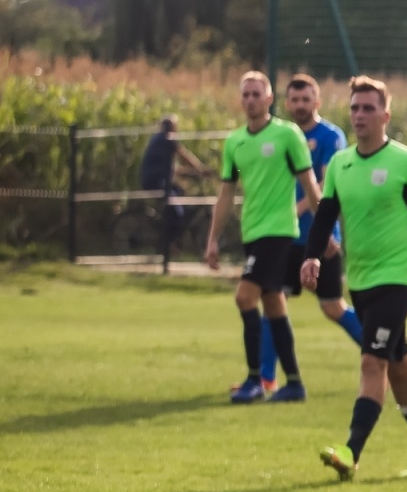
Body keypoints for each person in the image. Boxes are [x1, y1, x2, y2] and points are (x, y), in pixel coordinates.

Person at [301, 76, 407, 481]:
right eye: (355, 108)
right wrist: (311, 257)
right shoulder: (340, 164)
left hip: (398, 277)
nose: (359, 115)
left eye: (368, 108)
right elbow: (324, 216)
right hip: (360, 279)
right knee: (398, 368)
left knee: (372, 361)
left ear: (385, 115)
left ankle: (350, 452)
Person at [206, 71, 320, 404]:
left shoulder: (288, 135)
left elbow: (311, 185)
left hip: (280, 231)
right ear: (240, 101)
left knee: (244, 297)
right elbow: (225, 194)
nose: (252, 100)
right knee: (273, 304)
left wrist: (325, 229)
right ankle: (295, 383)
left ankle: (255, 380)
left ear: (270, 99)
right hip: (253, 232)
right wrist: (212, 239)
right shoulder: (235, 142)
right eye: (246, 95)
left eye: (258, 94)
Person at [256, 74, 364, 389]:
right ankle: (265, 378)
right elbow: (241, 166)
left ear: (316, 102)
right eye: (295, 100)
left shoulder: (331, 137)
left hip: (320, 239)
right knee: (273, 301)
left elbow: (327, 186)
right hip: (283, 237)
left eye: (307, 100)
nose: (300, 105)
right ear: (285, 102)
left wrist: (322, 228)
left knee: (332, 306)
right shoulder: (278, 135)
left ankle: (384, 352)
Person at [138, 115, 207, 247]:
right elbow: (183, 155)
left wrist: (193, 172)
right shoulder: (167, 138)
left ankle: (170, 236)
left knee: (179, 191)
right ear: (171, 127)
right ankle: (167, 244)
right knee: (177, 212)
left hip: (156, 180)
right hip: (156, 182)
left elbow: (174, 169)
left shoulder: (159, 139)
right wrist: (200, 169)